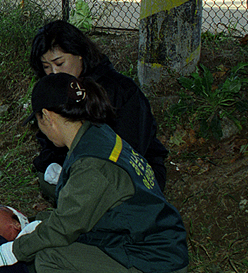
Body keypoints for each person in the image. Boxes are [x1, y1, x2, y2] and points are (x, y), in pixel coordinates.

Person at [0, 73, 188, 273]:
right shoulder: (96, 133)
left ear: (48, 116)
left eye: (38, 123)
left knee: (50, 259)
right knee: (49, 234)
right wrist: (39, 224)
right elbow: (81, 210)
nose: (40, 130)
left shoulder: (92, 164)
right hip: (150, 249)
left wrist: (13, 251)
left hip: (156, 271)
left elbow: (65, 228)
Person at [29, 20, 168, 198]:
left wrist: (85, 173)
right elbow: (49, 142)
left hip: (129, 170)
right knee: (49, 180)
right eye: (47, 67)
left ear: (80, 54)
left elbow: (131, 148)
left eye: (60, 63)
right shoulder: (53, 93)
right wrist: (54, 164)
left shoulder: (120, 90)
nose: (54, 73)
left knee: (93, 199)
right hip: (80, 168)